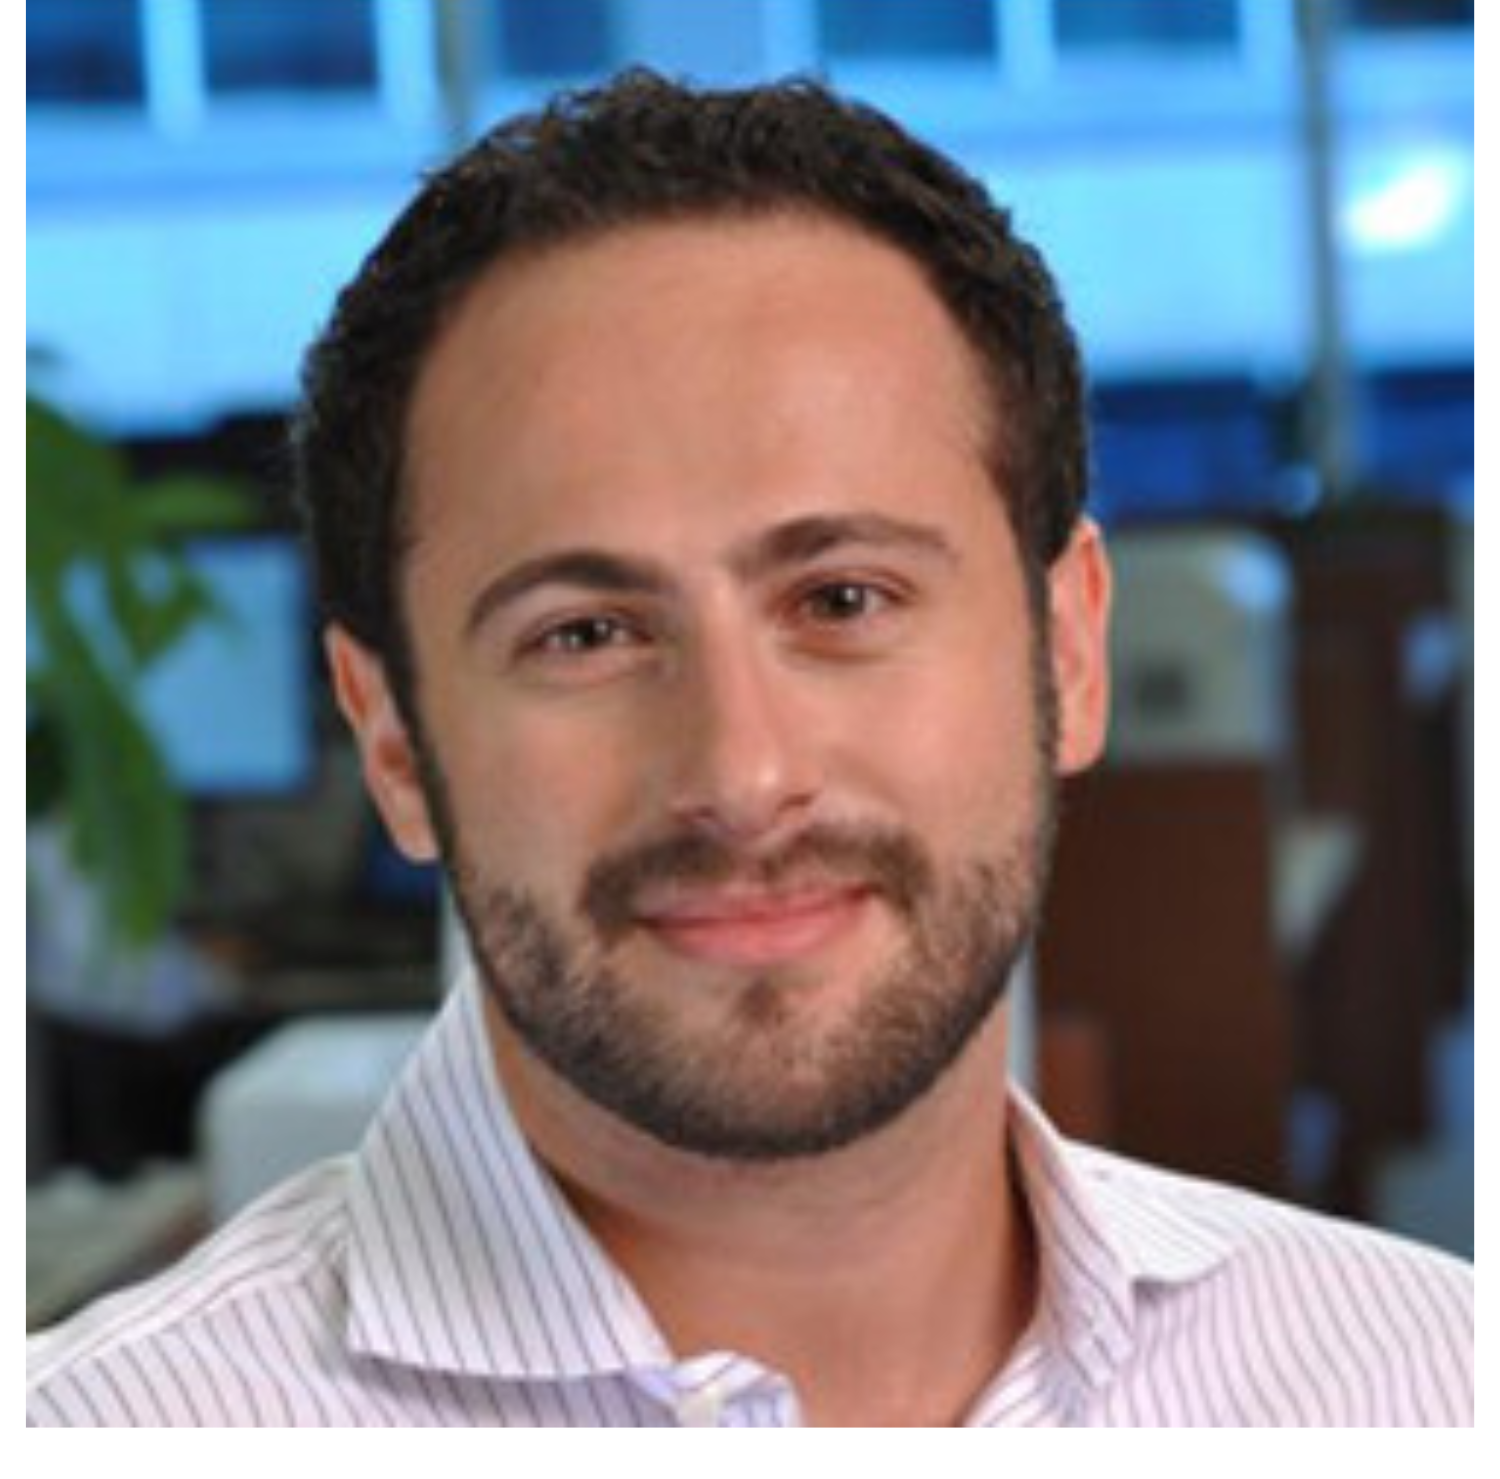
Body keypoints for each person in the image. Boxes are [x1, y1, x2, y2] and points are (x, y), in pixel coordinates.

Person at [28, 71, 1471, 1428]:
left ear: (1070, 654)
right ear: (392, 739)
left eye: (844, 600)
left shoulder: (1426, 1380)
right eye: (584, 633)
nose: (741, 774)